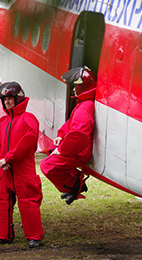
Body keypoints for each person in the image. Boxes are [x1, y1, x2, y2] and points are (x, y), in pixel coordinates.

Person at [0, 82, 44, 249]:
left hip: (22, 170)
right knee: (2, 201)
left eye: (10, 98)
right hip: (4, 170)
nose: (7, 102)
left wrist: (8, 159)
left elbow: (27, 142)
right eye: (4, 99)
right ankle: (3, 235)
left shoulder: (30, 119)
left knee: (28, 202)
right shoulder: (2, 121)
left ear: (18, 99)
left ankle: (34, 236)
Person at [40, 66, 97, 205]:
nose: (73, 89)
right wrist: (60, 136)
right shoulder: (82, 104)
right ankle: (74, 183)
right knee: (51, 149)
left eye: (75, 87)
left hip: (79, 151)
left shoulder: (85, 107)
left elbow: (79, 136)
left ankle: (74, 185)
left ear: (82, 87)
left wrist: (61, 151)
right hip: (75, 148)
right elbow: (69, 125)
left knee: (46, 166)